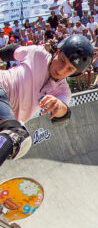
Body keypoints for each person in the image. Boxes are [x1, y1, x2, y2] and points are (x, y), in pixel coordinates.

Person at [0, 35, 93, 167]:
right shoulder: (37, 54)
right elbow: (11, 51)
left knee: (19, 140)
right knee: (15, 132)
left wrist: (58, 106)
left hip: (5, 119)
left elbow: (63, 115)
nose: (61, 70)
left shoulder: (63, 91)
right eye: (62, 61)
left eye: (69, 69)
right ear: (57, 52)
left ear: (74, 73)